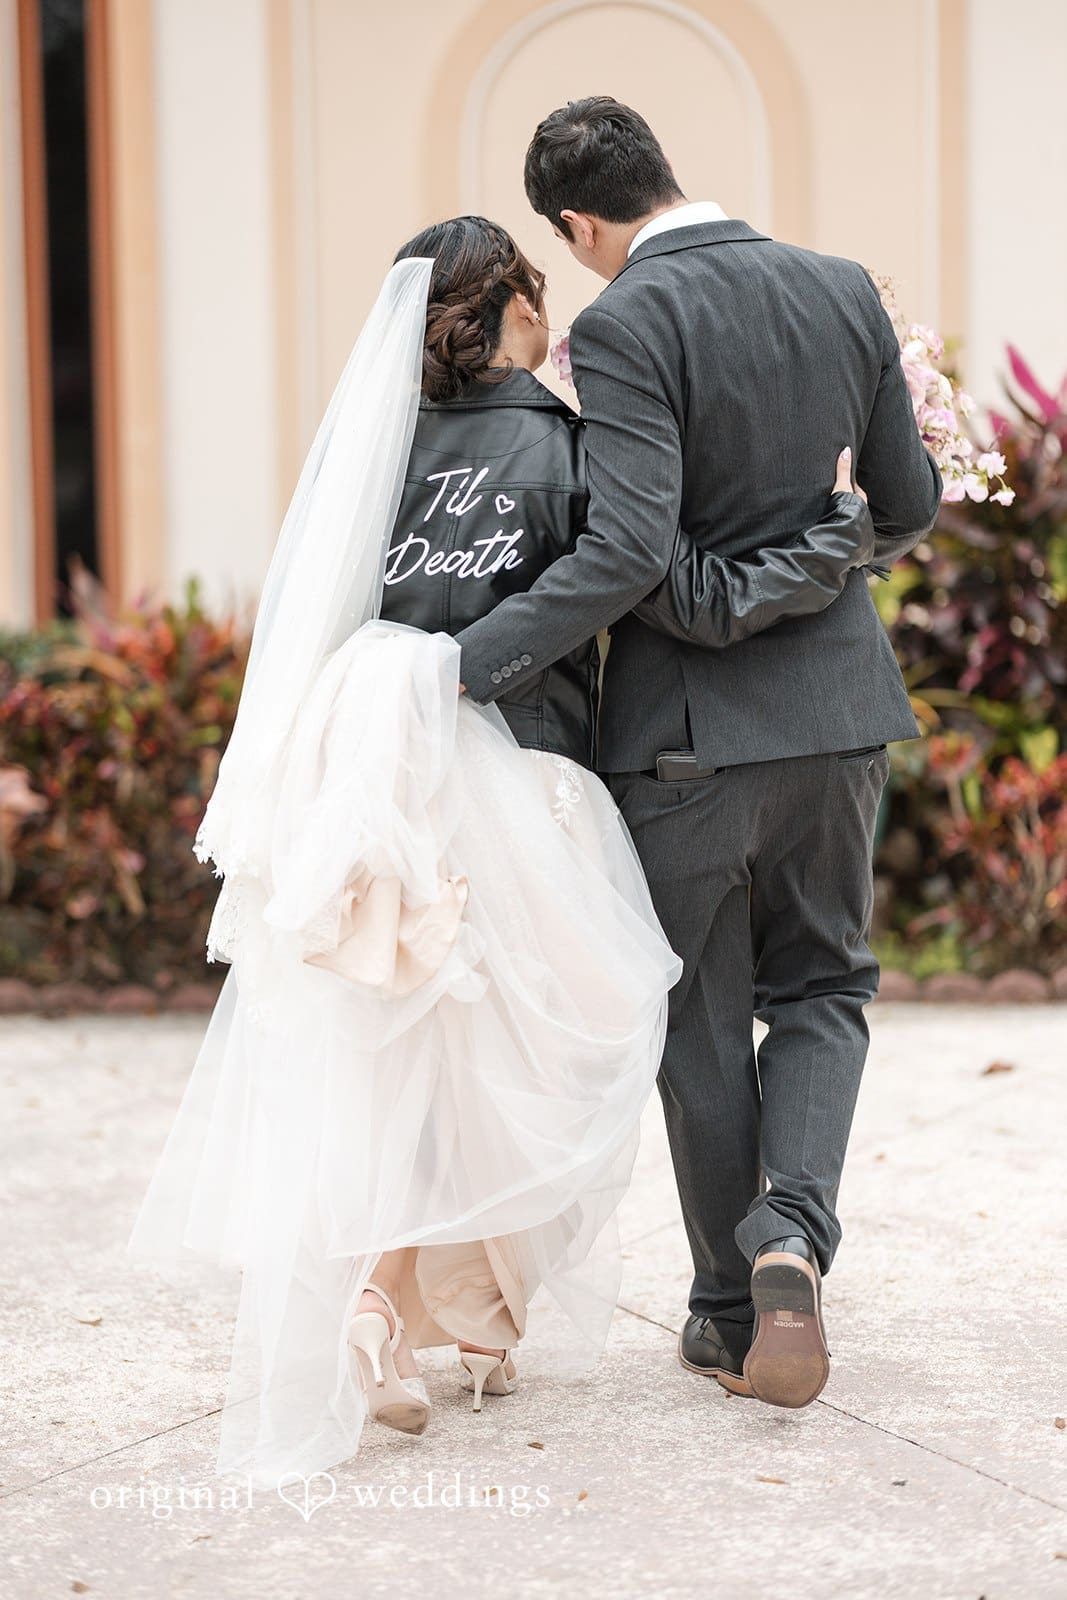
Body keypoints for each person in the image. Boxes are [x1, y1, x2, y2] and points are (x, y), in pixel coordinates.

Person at [129, 216, 873, 1484]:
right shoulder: (569, 446)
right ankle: (481, 1306)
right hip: (520, 773)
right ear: (519, 307)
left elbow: (332, 612)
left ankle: (385, 1308)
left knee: (402, 1042)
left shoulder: (371, 453)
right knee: (524, 1046)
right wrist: (826, 539)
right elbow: (657, 583)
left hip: (373, 776)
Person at [453, 102, 944, 1411]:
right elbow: (899, 508)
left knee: (700, 1021)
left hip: (680, 745)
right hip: (839, 721)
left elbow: (623, 556)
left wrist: (457, 667)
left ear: (579, 224)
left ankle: (729, 1313)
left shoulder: (617, 325)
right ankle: (787, 1234)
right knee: (825, 990)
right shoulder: (839, 288)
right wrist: (812, 557)